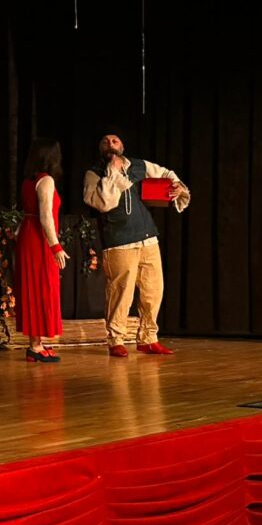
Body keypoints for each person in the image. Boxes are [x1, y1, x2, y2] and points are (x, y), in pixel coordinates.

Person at [83, 132, 191, 357]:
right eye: (105, 141)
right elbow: (103, 203)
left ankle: (148, 338)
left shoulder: (138, 166)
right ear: (100, 147)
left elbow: (165, 174)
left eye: (115, 141)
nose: (110, 144)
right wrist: (112, 172)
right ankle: (116, 339)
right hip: (119, 241)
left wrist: (178, 186)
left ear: (122, 145)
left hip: (147, 237)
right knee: (121, 293)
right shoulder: (94, 174)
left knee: (154, 290)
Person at [17, 139, 70, 363]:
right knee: (41, 288)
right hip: (39, 239)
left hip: (29, 235)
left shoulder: (28, 181)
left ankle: (36, 343)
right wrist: (55, 246)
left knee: (34, 287)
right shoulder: (46, 180)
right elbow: (46, 216)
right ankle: (35, 346)